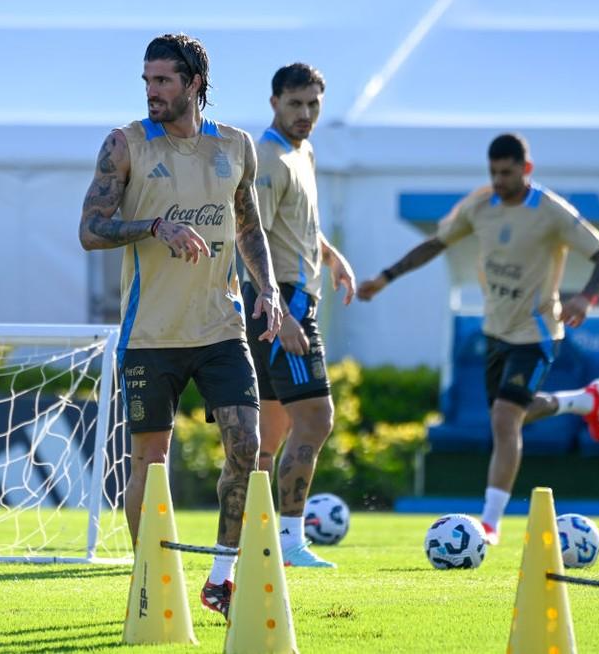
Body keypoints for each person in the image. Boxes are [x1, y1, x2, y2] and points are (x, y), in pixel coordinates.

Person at [78, 34, 282, 617]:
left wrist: (266, 286)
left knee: (247, 445)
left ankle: (221, 578)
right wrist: (153, 227)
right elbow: (91, 229)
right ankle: (149, 581)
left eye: (163, 81)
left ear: (195, 83)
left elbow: (249, 227)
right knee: (151, 461)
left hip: (222, 327)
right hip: (151, 334)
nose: (152, 93)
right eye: (146, 81)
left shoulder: (238, 146)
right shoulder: (125, 145)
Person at [357, 133, 599, 545]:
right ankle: (582, 401)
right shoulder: (479, 205)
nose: (498, 179)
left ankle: (491, 522)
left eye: (507, 172)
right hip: (495, 332)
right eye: (493, 172)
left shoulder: (551, 211)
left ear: (526, 169)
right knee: (513, 413)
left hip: (537, 332)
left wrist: (585, 297)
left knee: (503, 417)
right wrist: (385, 278)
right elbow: (435, 244)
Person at [235, 63, 354, 570]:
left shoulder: (304, 151)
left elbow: (297, 222)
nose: (305, 114)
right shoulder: (266, 156)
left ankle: (249, 541)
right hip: (280, 305)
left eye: (313, 105)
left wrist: (329, 254)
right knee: (316, 419)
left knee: (269, 437)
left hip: (286, 301)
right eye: (295, 104)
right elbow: (249, 233)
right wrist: (280, 311)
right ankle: (287, 542)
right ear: (274, 103)